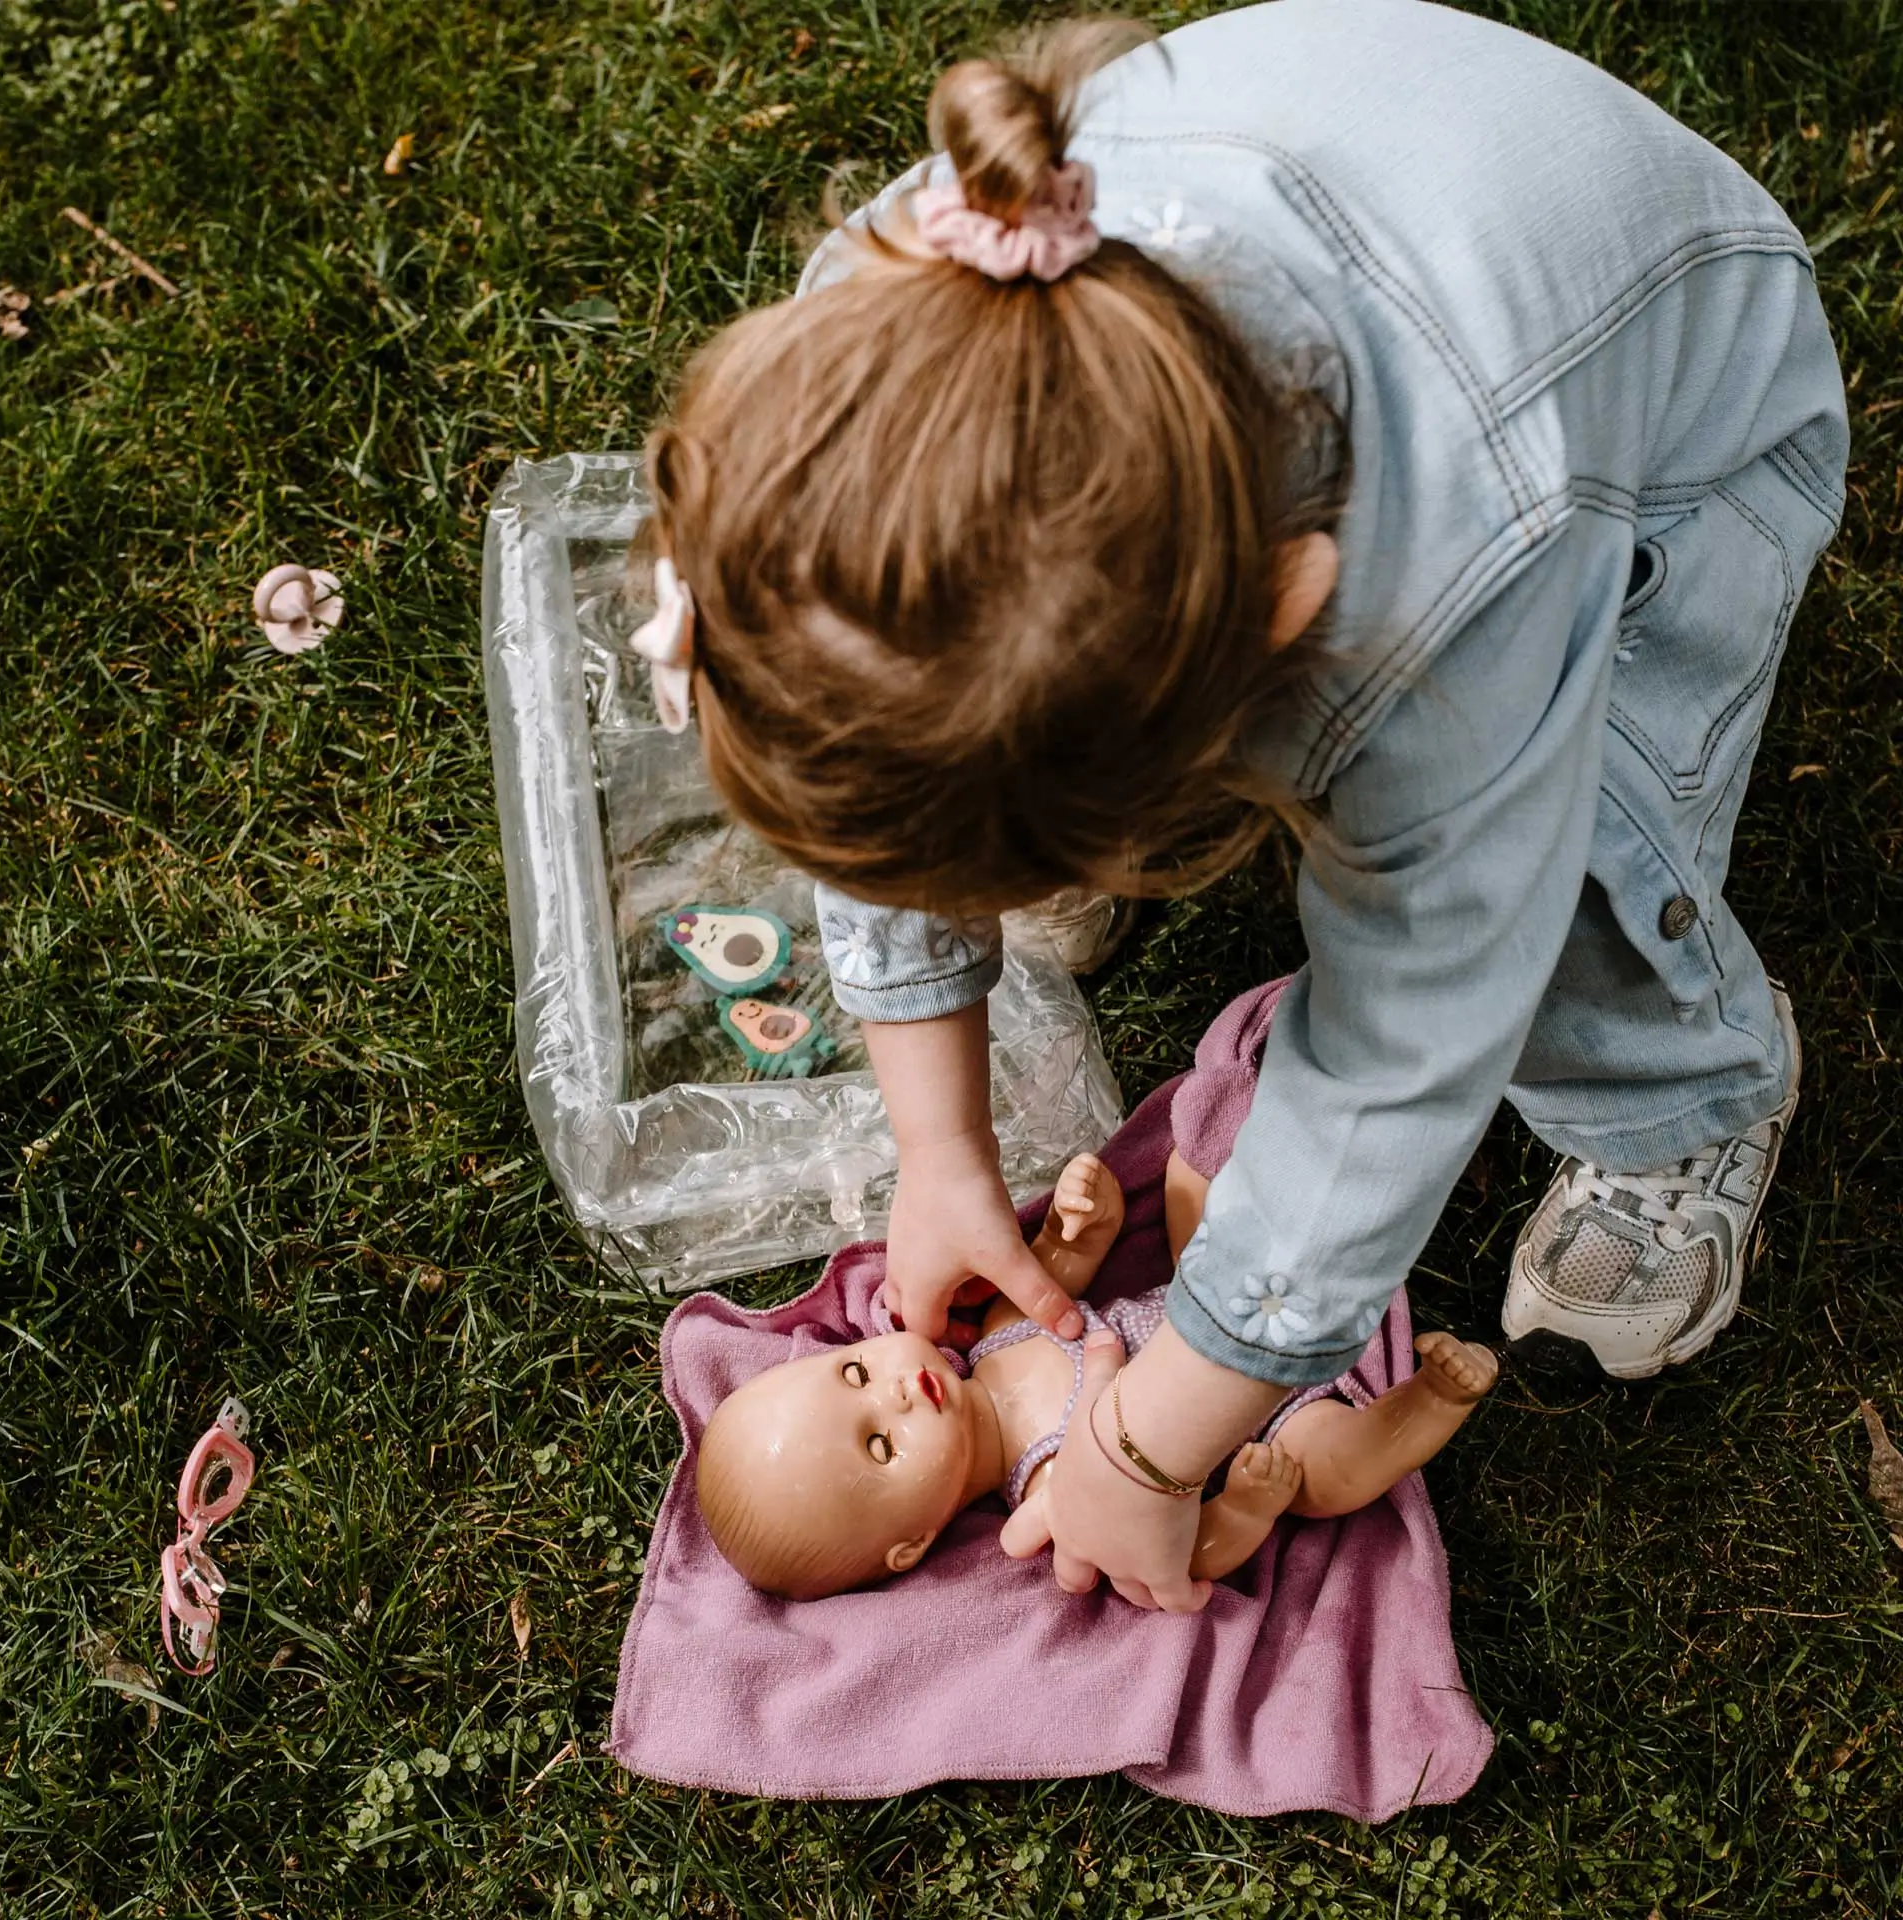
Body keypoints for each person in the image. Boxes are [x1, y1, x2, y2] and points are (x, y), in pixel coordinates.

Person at [626, 0, 1848, 1611]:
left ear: (1277, 618)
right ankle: (1022, 794)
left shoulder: (1449, 598)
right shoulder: (898, 360)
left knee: (1564, 889)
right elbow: (872, 696)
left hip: (1672, 427)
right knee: (922, 756)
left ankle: (1684, 1087)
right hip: (1389, 193)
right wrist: (940, 1149)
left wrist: (1149, 1450)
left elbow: (1410, 1041)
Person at [696, 1151, 1496, 1600]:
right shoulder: (1050, 1494)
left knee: (1192, 1176)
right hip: (1272, 1427)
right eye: (879, 1445)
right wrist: (1248, 1509)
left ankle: (1269, 1129)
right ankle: (1430, 1398)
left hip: (1215, 1298)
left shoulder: (1001, 1331)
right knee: (1329, 1478)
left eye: (857, 1374)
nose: (897, 1393)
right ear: (914, 1543)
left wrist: (1086, 1220)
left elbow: (1065, 1270)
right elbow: (1174, 1553)